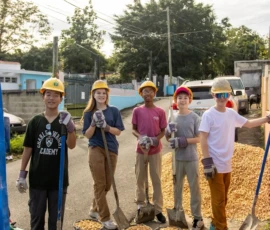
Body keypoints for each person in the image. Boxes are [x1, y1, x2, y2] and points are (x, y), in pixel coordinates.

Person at [199, 77, 270, 230]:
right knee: (218, 201)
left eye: (225, 95)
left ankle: (214, 223)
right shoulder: (208, 115)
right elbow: (203, 137)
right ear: (213, 96)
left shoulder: (231, 114)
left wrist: (266, 119)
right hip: (214, 165)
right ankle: (221, 227)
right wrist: (207, 162)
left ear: (229, 96)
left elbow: (249, 124)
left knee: (223, 199)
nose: (222, 98)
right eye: (219, 95)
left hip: (227, 164)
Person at [15, 77, 76, 230]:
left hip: (59, 181)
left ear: (61, 98)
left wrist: (70, 128)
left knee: (56, 223)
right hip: (37, 181)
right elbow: (28, 148)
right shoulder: (35, 121)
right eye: (48, 94)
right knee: (36, 221)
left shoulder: (64, 121)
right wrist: (22, 174)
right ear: (43, 96)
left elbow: (72, 145)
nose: (51, 98)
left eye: (56, 95)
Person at [81, 80, 124, 230]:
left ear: (107, 95)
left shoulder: (114, 111)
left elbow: (118, 131)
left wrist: (106, 127)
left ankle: (94, 209)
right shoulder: (88, 113)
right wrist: (93, 123)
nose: (101, 95)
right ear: (93, 94)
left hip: (111, 148)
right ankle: (105, 218)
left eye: (103, 93)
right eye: (98, 92)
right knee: (99, 183)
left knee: (107, 185)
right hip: (95, 148)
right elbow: (87, 135)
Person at [165, 86, 204, 230]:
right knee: (177, 187)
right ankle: (178, 212)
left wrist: (184, 141)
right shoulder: (172, 116)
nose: (182, 100)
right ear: (175, 100)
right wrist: (169, 132)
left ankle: (197, 217)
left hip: (191, 158)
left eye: (185, 98)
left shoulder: (194, 117)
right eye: (179, 98)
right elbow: (168, 137)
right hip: (177, 159)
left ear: (190, 100)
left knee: (194, 188)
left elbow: (199, 138)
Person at [132, 80, 167, 223]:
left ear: (154, 93)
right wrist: (140, 137)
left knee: (156, 179)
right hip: (141, 151)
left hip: (155, 151)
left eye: (151, 91)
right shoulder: (137, 111)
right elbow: (133, 129)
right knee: (140, 178)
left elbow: (163, 131)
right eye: (145, 91)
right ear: (141, 94)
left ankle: (158, 209)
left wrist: (155, 139)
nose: (148, 93)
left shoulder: (160, 111)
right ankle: (141, 205)